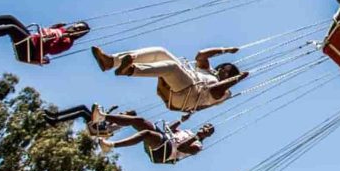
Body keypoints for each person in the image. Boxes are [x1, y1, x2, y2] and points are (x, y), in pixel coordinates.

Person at [91, 45, 248, 112]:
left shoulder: (226, 93)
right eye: (224, 69)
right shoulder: (208, 72)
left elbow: (215, 91)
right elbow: (201, 54)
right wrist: (225, 50)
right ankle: (111, 61)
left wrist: (237, 79)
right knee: (161, 52)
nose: (223, 73)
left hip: (188, 96)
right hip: (185, 83)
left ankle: (131, 70)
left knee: (172, 67)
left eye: (228, 73)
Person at [0, 12, 89, 65]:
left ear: (79, 35)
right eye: (76, 26)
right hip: (32, 39)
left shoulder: (67, 42)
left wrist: (59, 38)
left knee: (11, 29)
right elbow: (48, 32)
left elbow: (52, 50)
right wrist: (55, 28)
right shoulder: (62, 29)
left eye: (78, 30)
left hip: (31, 51)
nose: (75, 28)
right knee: (9, 18)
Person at [98, 114, 213, 164]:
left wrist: (197, 137)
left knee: (146, 134)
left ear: (208, 136)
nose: (205, 128)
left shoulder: (198, 146)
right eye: (206, 126)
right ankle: (102, 117)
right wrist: (181, 120)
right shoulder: (188, 132)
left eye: (208, 130)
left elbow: (181, 147)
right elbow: (169, 129)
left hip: (164, 153)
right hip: (163, 139)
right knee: (139, 120)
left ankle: (110, 146)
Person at [44, 104, 136, 137]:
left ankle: (55, 120)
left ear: (129, 116)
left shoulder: (123, 122)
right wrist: (111, 109)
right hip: (99, 124)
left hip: (99, 128)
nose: (124, 112)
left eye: (126, 112)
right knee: (82, 108)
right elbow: (107, 117)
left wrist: (102, 121)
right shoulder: (120, 118)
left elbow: (110, 127)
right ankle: (55, 115)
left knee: (82, 113)